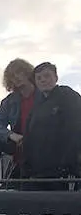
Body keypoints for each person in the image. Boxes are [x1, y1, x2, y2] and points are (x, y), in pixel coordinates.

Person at [22, 62, 81, 190]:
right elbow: (28, 138)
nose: (43, 80)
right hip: (37, 174)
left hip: (63, 173)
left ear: (56, 77)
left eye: (47, 76)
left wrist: (69, 165)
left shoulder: (68, 96)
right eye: (39, 78)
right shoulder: (36, 108)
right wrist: (26, 169)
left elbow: (75, 129)